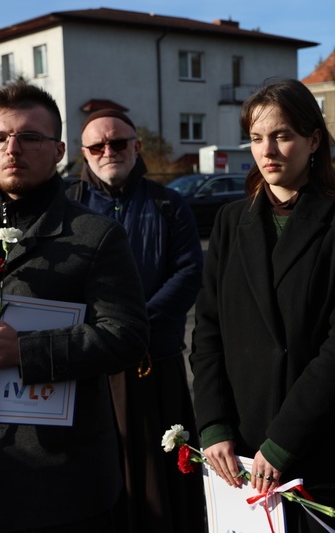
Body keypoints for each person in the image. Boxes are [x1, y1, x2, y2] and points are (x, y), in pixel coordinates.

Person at [0, 81, 150, 532]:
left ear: (58, 150)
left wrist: (25, 351)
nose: (12, 148)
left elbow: (127, 336)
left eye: (29, 137)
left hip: (67, 478)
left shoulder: (95, 234)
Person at [189, 78, 335, 531]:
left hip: (313, 443)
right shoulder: (233, 221)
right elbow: (208, 328)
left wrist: (284, 440)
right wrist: (213, 424)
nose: (267, 150)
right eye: (256, 138)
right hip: (239, 446)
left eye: (282, 135)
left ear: (314, 140)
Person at [67, 108, 205, 533]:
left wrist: (133, 325)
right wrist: (100, 334)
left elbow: (188, 271)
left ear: (137, 147)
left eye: (119, 142)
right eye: (97, 145)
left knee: (158, 473)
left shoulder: (167, 203)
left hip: (154, 357)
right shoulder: (67, 206)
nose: (109, 151)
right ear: (83, 154)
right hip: (89, 365)